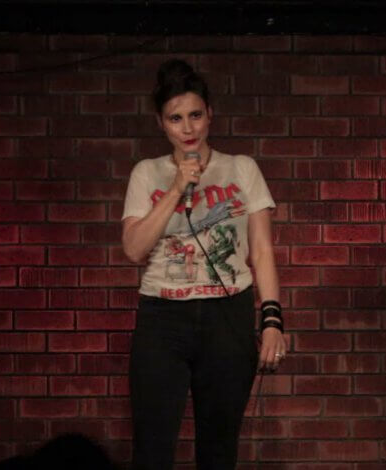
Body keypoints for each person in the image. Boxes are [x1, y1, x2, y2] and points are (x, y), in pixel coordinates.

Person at [121, 59, 286, 470]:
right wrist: (177, 186)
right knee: (152, 449)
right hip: (163, 317)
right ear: (161, 124)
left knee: (219, 450)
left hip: (227, 315)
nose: (188, 128)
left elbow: (261, 250)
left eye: (195, 115)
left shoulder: (242, 168)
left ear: (210, 113)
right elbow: (134, 249)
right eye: (176, 119)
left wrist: (272, 320)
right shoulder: (147, 173)